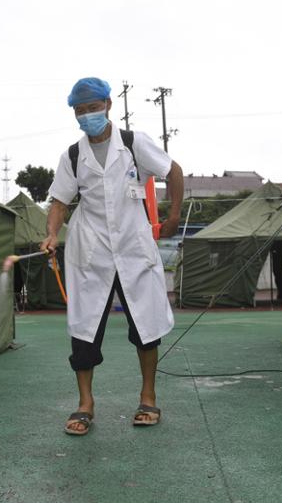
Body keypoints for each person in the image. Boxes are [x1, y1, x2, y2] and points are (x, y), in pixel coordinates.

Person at [40, 77, 184, 435]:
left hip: (134, 248)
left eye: (93, 107)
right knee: (84, 328)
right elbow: (59, 201)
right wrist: (52, 233)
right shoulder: (72, 156)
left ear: (108, 105)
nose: (88, 115)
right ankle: (85, 404)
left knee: (145, 326)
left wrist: (173, 216)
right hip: (91, 252)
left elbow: (174, 171)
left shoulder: (134, 144)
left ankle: (148, 397)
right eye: (80, 110)